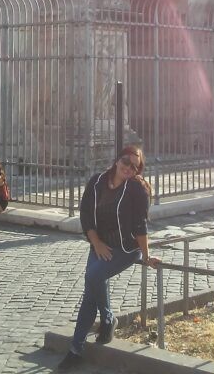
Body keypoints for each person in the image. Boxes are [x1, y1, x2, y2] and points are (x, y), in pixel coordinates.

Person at [57, 146, 160, 370]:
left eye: (135, 166)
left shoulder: (137, 189)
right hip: (100, 245)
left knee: (92, 279)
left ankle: (77, 347)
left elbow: (140, 227)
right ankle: (106, 320)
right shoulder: (97, 182)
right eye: (126, 161)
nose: (129, 167)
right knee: (92, 285)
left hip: (125, 249)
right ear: (117, 160)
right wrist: (96, 243)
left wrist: (146, 256)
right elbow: (87, 215)